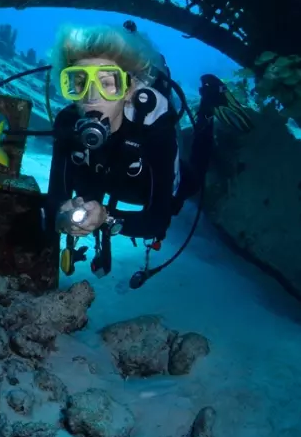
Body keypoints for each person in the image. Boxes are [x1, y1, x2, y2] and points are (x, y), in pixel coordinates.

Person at [43, 21, 252, 276]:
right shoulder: (68, 123)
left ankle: (207, 111)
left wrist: (105, 219)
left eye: (107, 83)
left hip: (143, 186)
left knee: (192, 181)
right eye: (78, 82)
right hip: (105, 177)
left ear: (129, 89)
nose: (91, 96)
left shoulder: (155, 129)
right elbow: (55, 196)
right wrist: (63, 215)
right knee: (88, 182)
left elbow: (158, 220)